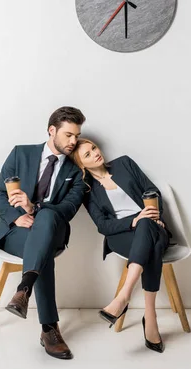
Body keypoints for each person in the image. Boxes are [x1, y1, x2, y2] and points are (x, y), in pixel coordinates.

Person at [0, 106, 87, 360]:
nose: (74, 141)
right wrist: (18, 216)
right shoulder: (21, 153)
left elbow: (68, 209)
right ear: (52, 130)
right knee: (43, 252)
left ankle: (23, 290)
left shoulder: (76, 172)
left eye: (77, 135)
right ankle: (49, 328)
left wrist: (34, 207)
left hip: (51, 228)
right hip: (16, 232)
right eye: (68, 135)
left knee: (49, 217)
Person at [72, 138, 170, 353]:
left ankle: (123, 297)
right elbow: (102, 225)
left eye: (94, 148)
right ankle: (150, 319)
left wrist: (154, 216)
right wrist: (133, 221)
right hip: (122, 235)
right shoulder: (87, 190)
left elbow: (152, 191)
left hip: (153, 226)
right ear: (81, 165)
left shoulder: (124, 164)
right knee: (147, 238)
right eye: (87, 154)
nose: (95, 154)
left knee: (146, 227)